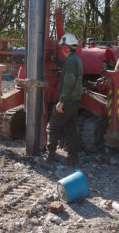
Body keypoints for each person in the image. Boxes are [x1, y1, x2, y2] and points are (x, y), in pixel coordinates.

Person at [46, 33, 83, 165]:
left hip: (67, 101)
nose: (62, 49)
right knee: (70, 128)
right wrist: (54, 59)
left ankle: (49, 157)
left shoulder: (72, 61)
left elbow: (68, 82)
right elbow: (66, 66)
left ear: (67, 48)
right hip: (75, 101)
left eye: (63, 47)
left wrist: (61, 101)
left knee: (52, 127)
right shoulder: (74, 59)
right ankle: (73, 157)